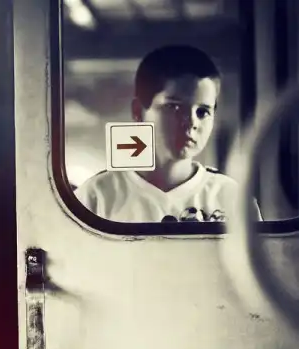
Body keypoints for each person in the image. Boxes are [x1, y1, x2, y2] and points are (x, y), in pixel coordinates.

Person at [75, 45, 262, 222]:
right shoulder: (96, 196)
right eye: (174, 107)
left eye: (203, 112)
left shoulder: (232, 197)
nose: (192, 122)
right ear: (138, 111)